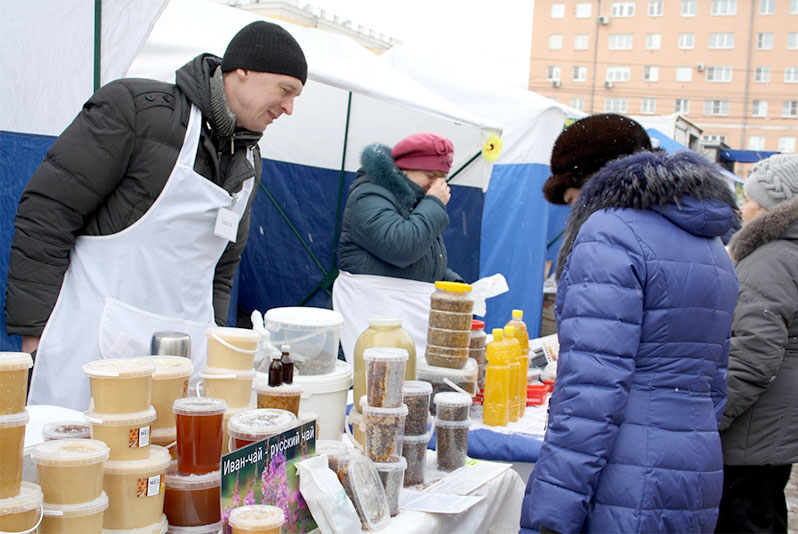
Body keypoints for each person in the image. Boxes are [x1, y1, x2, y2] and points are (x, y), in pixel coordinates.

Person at [5, 21, 307, 410]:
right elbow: (47, 212)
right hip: (91, 352)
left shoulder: (249, 163)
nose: (289, 108)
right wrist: (34, 332)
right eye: (286, 91)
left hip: (184, 369)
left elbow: (221, 271)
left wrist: (215, 348)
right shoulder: (136, 110)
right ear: (243, 71)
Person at [520, 114, 740, 533]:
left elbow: (590, 391)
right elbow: (715, 382)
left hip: (625, 469)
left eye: (570, 196)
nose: (571, 208)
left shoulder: (609, 232)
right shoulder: (711, 244)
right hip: (696, 463)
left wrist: (551, 512)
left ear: (593, 181)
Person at [715, 154, 798, 534]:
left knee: (745, 516)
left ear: (770, 206)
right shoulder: (788, 253)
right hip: (774, 425)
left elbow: (754, 353)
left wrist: (714, 416)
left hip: (753, 429)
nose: (742, 207)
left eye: (748, 198)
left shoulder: (772, 258)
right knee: (763, 511)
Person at [338, 132, 464, 283]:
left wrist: (450, 281)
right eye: (430, 176)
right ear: (405, 169)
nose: (435, 184)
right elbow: (402, 249)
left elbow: (422, 257)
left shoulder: (419, 202)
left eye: (441, 178)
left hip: (399, 302)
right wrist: (434, 202)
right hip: (369, 302)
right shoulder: (369, 195)